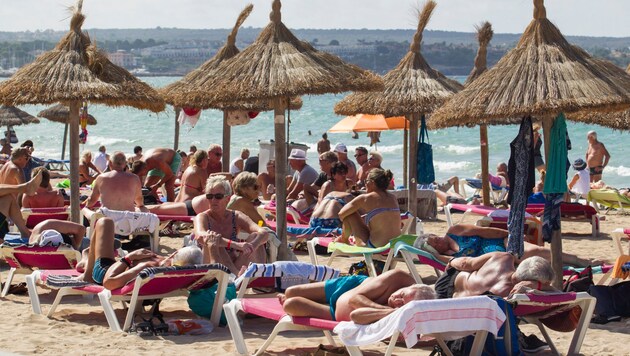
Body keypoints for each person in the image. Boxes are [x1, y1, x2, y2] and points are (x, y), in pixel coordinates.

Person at [279, 269, 435, 323]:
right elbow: (355, 299)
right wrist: (385, 309)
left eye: (401, 304)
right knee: (291, 291)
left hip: (336, 314)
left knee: (290, 305)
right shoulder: (398, 277)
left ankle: (318, 303)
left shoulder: (406, 313)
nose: (396, 299)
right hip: (350, 287)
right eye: (402, 294)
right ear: (409, 286)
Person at [419, 224, 601, 267]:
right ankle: (569, 263)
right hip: (497, 260)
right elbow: (441, 261)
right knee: (523, 257)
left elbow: (485, 231)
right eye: (433, 244)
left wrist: (510, 235)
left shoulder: (455, 230)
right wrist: (430, 254)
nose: (437, 240)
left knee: (535, 251)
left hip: (501, 242)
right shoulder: (450, 257)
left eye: (434, 237)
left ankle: (583, 261)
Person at [193, 176, 270, 275]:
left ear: (228, 198)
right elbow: (201, 236)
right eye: (209, 196)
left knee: (256, 236)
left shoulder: (236, 215)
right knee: (214, 239)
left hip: (235, 264)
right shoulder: (203, 217)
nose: (213, 200)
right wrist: (236, 245)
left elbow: (263, 230)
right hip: (212, 265)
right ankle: (236, 277)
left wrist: (252, 246)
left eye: (218, 197)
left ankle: (258, 280)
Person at [434, 253, 554, 299]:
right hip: (461, 310)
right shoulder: (512, 295)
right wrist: (538, 286)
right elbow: (560, 295)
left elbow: (465, 263)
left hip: (444, 286)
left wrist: (451, 261)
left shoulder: (503, 258)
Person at [338, 168, 400, 247]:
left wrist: (355, 223)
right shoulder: (393, 197)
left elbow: (341, 214)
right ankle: (344, 239)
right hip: (394, 246)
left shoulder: (365, 198)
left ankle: (344, 240)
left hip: (375, 247)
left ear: (372, 183)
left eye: (366, 181)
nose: (365, 184)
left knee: (350, 214)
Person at [0, 173, 42, 241]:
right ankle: (24, 188)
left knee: (8, 198)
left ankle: (24, 188)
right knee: (8, 197)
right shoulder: (16, 169)